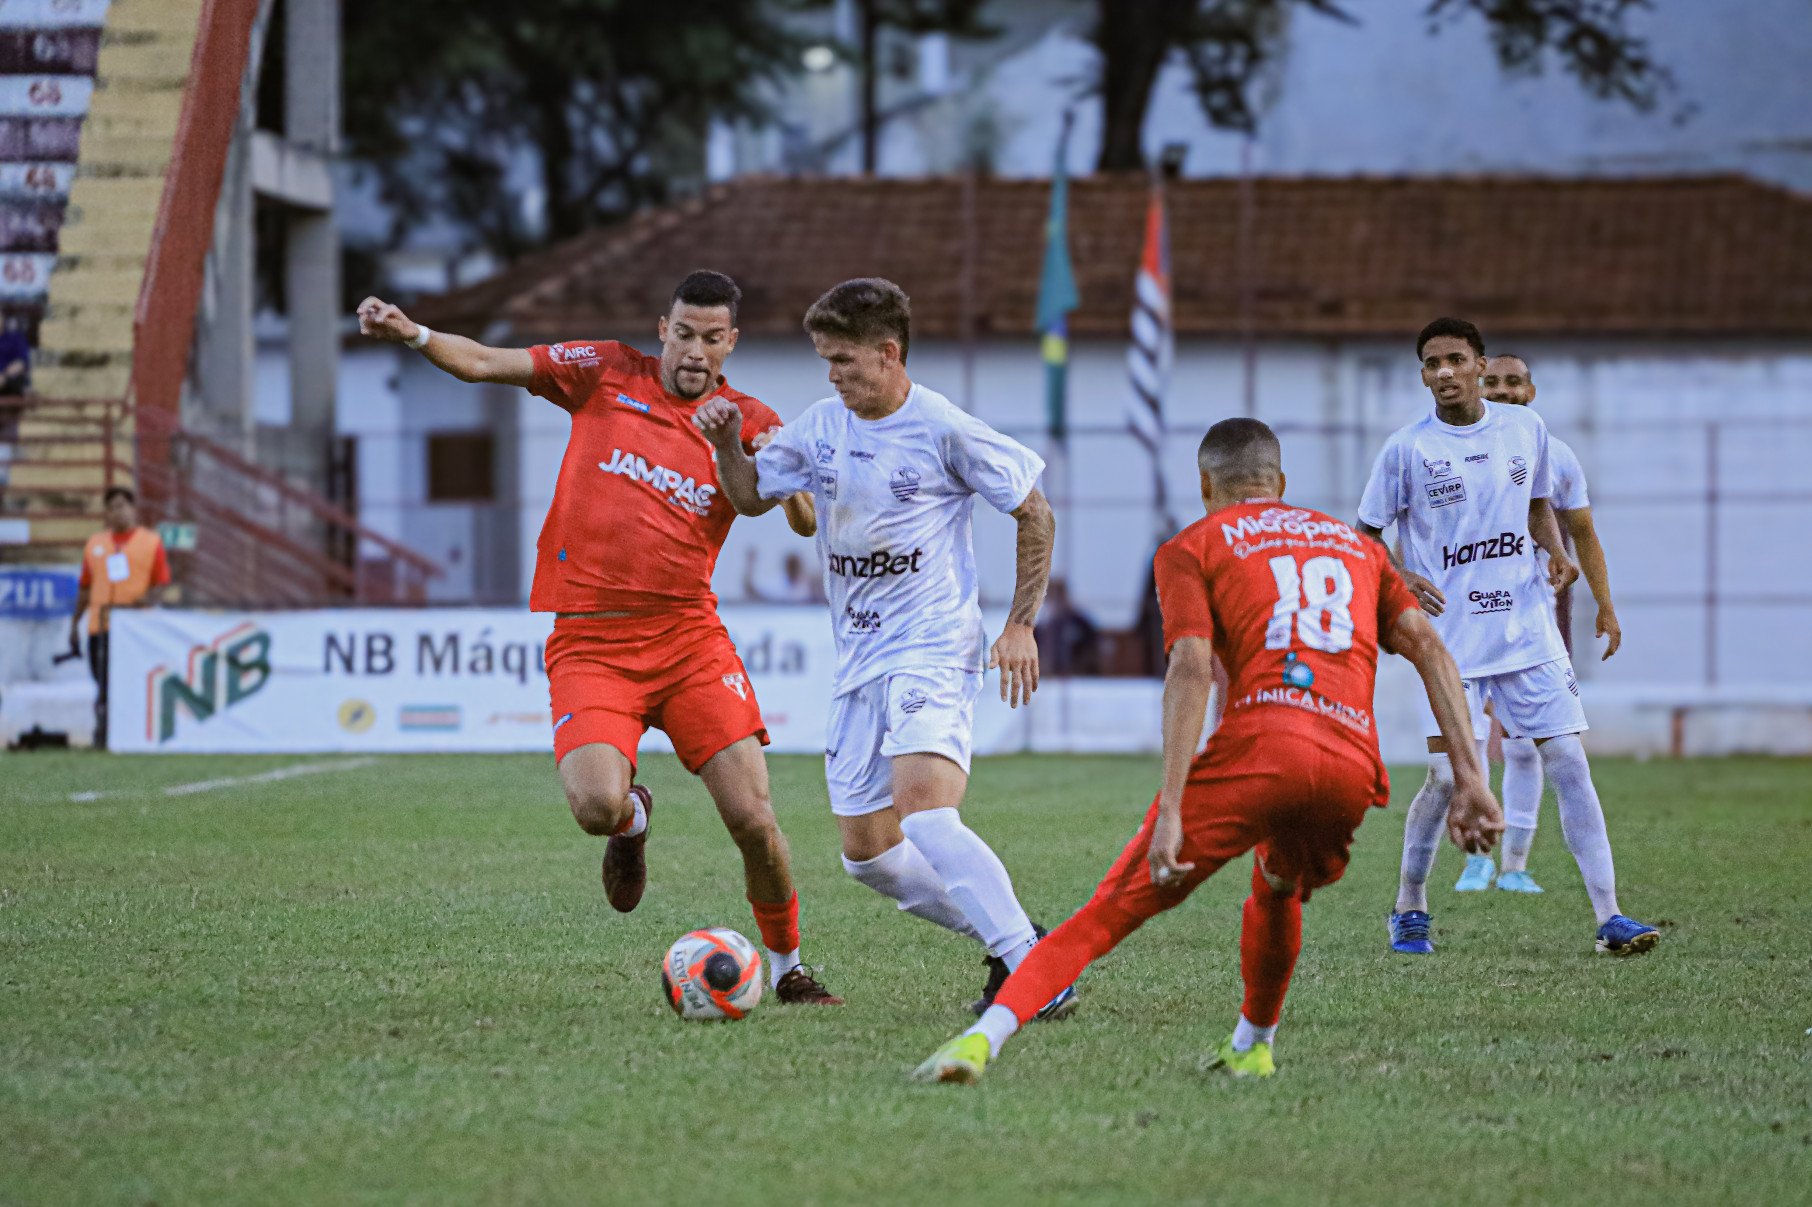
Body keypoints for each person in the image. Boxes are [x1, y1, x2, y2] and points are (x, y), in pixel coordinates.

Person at [911, 418, 1503, 1084]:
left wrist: (1171, 806)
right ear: (1279, 484)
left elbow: (1190, 666)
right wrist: (1471, 778)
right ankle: (1253, 1043)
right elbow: (1429, 649)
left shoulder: (1193, 544)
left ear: (1204, 484)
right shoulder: (1358, 548)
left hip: (1261, 747)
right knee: (1278, 884)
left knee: (1106, 913)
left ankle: (979, 1040)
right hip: (1348, 763)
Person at [356, 270, 843, 1005]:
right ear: (663, 328)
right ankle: (633, 817)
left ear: (730, 343)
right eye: (684, 333)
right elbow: (488, 362)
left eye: (712, 338)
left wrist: (759, 456)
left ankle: (789, 970)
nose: (695, 350)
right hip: (591, 642)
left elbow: (804, 519)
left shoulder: (745, 416)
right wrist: (413, 333)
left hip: (688, 640)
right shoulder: (606, 370)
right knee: (593, 808)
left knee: (754, 818)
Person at [697, 277, 1075, 1018]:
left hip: (933, 646)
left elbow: (1033, 509)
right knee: (870, 856)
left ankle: (1037, 972)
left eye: (842, 359)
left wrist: (1020, 623)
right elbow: (749, 498)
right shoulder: (821, 424)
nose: (831, 374)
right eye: (825, 360)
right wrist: (722, 447)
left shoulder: (943, 427)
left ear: (888, 353)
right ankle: (1020, 941)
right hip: (861, 659)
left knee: (929, 816)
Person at [1358, 318, 1657, 957]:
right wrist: (1402, 577)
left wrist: (1555, 553)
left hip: (1525, 632)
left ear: (1478, 365)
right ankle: (1409, 905)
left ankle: (1611, 917)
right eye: (1431, 363)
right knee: (1445, 778)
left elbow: (1536, 506)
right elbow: (1365, 535)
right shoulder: (1406, 449)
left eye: (1454, 360)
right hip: (1449, 647)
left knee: (1570, 761)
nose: (1443, 373)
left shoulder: (1526, 429)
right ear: (1422, 374)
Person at [1466, 353, 1624, 893]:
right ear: (1476, 387)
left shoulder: (1555, 455)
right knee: (1473, 738)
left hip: (1537, 608)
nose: (1504, 390)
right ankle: (1476, 856)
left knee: (1528, 742)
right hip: (1469, 613)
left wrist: (1605, 604)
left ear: (1531, 392)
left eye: (1514, 382)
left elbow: (1582, 531)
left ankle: (1512, 863)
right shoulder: (1446, 452)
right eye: (1493, 382)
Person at [71, 486, 171, 748]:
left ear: (133, 509)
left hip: (134, 627)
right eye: (112, 507)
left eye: (122, 505)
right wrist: (75, 624)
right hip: (100, 625)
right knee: (102, 681)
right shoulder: (96, 544)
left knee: (131, 682)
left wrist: (147, 601)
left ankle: (133, 734)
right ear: (106, 513)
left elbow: (161, 582)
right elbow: (84, 586)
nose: (118, 512)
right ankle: (103, 733)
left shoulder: (150, 542)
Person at [743, 548, 825, 604]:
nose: (793, 569)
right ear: (787, 568)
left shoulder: (810, 586)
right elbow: (751, 590)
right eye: (791, 566)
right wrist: (750, 564)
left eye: (795, 566)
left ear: (800, 567)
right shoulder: (778, 586)